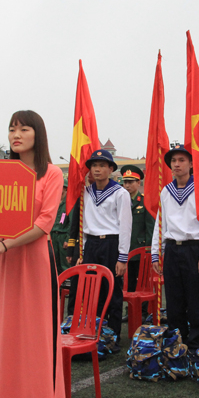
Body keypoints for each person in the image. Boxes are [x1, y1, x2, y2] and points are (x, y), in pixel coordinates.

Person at [0, 110, 67, 398]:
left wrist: (5, 244)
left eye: (23, 128)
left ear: (36, 135)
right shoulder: (3, 173)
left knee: (36, 338)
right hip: (7, 262)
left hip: (35, 261)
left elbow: (44, 223)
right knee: (8, 336)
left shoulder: (52, 174)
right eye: (12, 128)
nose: (16, 134)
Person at [151, 144, 199, 352]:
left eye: (181, 160)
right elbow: (160, 224)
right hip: (172, 249)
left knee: (194, 301)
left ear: (191, 163)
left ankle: (195, 344)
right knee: (174, 301)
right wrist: (156, 252)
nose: (176, 164)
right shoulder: (166, 191)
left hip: (193, 250)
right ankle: (177, 343)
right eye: (173, 161)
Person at [66, 148, 132, 346]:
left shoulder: (120, 193)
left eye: (102, 165)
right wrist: (82, 251)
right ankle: (94, 330)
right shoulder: (85, 193)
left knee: (111, 289)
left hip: (111, 243)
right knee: (90, 289)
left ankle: (112, 335)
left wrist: (122, 257)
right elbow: (84, 226)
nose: (97, 169)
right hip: (92, 244)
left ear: (111, 169)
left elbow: (125, 226)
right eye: (94, 165)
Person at [120, 164, 154, 293]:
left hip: (140, 250)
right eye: (125, 182)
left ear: (138, 182)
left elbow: (150, 228)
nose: (127, 185)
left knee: (143, 283)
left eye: (130, 182)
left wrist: (150, 251)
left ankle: (143, 312)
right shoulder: (120, 201)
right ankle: (130, 311)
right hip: (124, 250)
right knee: (127, 284)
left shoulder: (145, 202)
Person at [50, 178, 71, 277]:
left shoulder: (69, 203)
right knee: (54, 263)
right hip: (53, 236)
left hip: (63, 237)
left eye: (62, 188)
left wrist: (68, 239)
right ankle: (58, 286)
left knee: (65, 264)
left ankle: (67, 285)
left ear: (66, 189)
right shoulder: (52, 202)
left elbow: (72, 223)